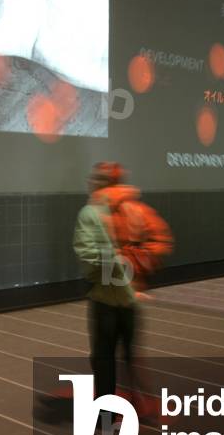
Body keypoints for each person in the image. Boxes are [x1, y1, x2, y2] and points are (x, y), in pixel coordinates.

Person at [72, 162, 172, 421]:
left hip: (105, 298)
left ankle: (106, 414)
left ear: (99, 183)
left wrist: (118, 262)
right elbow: (161, 242)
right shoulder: (138, 209)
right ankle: (140, 403)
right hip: (131, 297)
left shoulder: (92, 212)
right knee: (129, 354)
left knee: (104, 358)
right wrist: (136, 267)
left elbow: (88, 254)